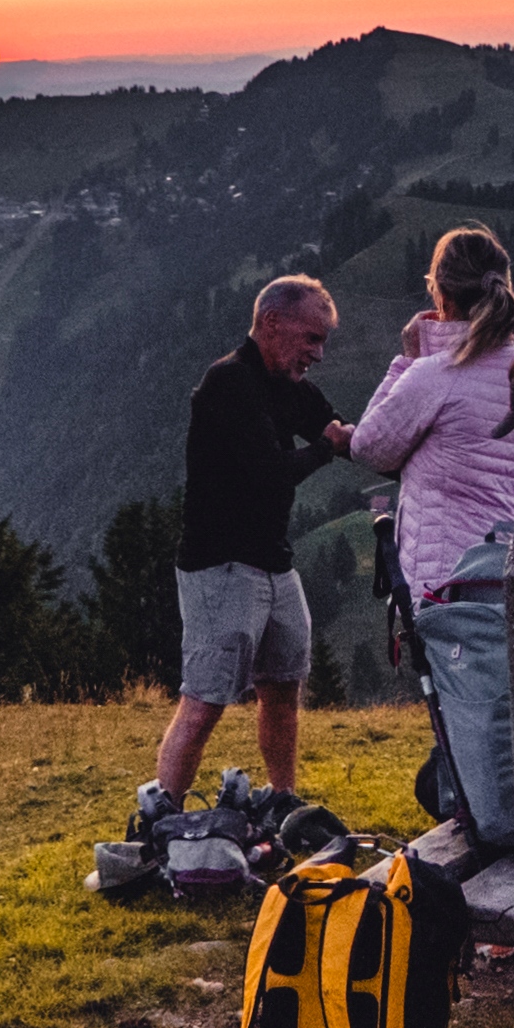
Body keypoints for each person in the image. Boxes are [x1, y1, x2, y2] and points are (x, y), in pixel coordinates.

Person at [351, 232, 514, 853]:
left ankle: (480, 832)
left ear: (436, 295)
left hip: (451, 581)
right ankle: (502, 815)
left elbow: (369, 446)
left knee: (465, 714)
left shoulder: (435, 374)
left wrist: (406, 360)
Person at [150, 274, 346, 819]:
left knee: (283, 685)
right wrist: (329, 449)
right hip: (221, 565)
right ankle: (160, 817)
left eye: (322, 341)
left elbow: (336, 429)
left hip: (272, 563)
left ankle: (282, 801)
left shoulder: (287, 384)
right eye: (311, 338)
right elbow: (271, 474)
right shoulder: (228, 384)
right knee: (205, 699)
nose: (318, 354)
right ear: (271, 323)